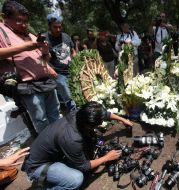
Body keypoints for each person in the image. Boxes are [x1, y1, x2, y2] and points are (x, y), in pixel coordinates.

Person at [23, 101, 133, 189]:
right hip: (38, 166)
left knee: (92, 141)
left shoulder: (81, 113)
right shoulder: (72, 139)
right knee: (77, 179)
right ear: (90, 125)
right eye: (99, 124)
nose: (101, 123)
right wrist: (106, 157)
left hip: (49, 152)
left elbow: (105, 114)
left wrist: (123, 120)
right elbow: (83, 166)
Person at [0, 1, 60, 133]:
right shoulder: (1, 32)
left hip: (46, 82)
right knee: (41, 120)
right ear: (5, 17)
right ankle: (50, 148)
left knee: (55, 115)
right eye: (19, 21)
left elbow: (45, 59)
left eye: (26, 21)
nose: (24, 25)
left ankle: (61, 141)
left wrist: (45, 51)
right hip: (28, 86)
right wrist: (26, 47)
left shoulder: (29, 34)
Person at [44, 13, 76, 112]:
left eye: (59, 27)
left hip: (71, 70)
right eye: (55, 27)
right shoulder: (45, 39)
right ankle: (74, 112)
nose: (58, 29)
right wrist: (49, 68)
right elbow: (42, 58)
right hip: (58, 73)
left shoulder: (65, 36)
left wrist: (76, 60)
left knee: (75, 91)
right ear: (49, 26)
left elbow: (73, 51)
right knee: (67, 93)